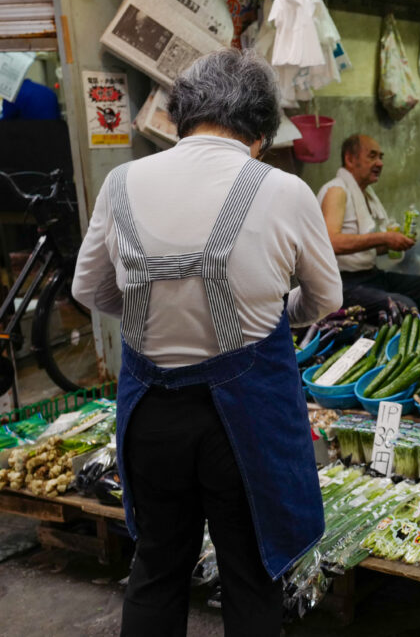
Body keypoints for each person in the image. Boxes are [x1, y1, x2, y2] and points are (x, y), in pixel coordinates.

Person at [72, 49, 343, 637]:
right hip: (245, 424)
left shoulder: (121, 183)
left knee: (157, 567)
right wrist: (277, 314)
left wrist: (157, 315)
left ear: (180, 115)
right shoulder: (285, 190)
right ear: (262, 131)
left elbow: (89, 289)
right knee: (249, 576)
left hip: (151, 419)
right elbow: (324, 302)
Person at [317, 133, 420, 318]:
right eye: (372, 156)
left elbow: (363, 250)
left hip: (370, 276)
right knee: (404, 307)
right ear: (350, 159)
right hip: (342, 284)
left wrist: (392, 245)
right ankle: (400, 347)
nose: (380, 163)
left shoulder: (366, 195)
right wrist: (384, 238)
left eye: (381, 157)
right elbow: (330, 242)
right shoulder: (337, 190)